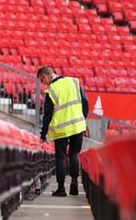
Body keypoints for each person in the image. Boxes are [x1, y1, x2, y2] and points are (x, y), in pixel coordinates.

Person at [37, 66, 89, 196]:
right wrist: (82, 118)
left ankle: (61, 189)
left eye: (41, 80)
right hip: (77, 126)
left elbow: (47, 115)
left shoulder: (51, 90)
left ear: (46, 75)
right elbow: (85, 101)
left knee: (60, 157)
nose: (42, 83)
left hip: (61, 129)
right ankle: (74, 184)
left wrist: (43, 134)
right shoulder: (74, 81)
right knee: (74, 154)